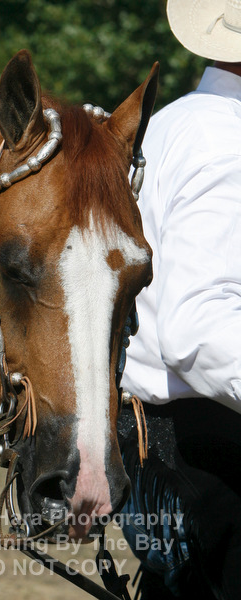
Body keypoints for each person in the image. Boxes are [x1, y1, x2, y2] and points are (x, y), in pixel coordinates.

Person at [118, 1, 241, 599]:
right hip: (209, 455)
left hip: (172, 449)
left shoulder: (173, 123)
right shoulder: (226, 141)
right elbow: (199, 326)